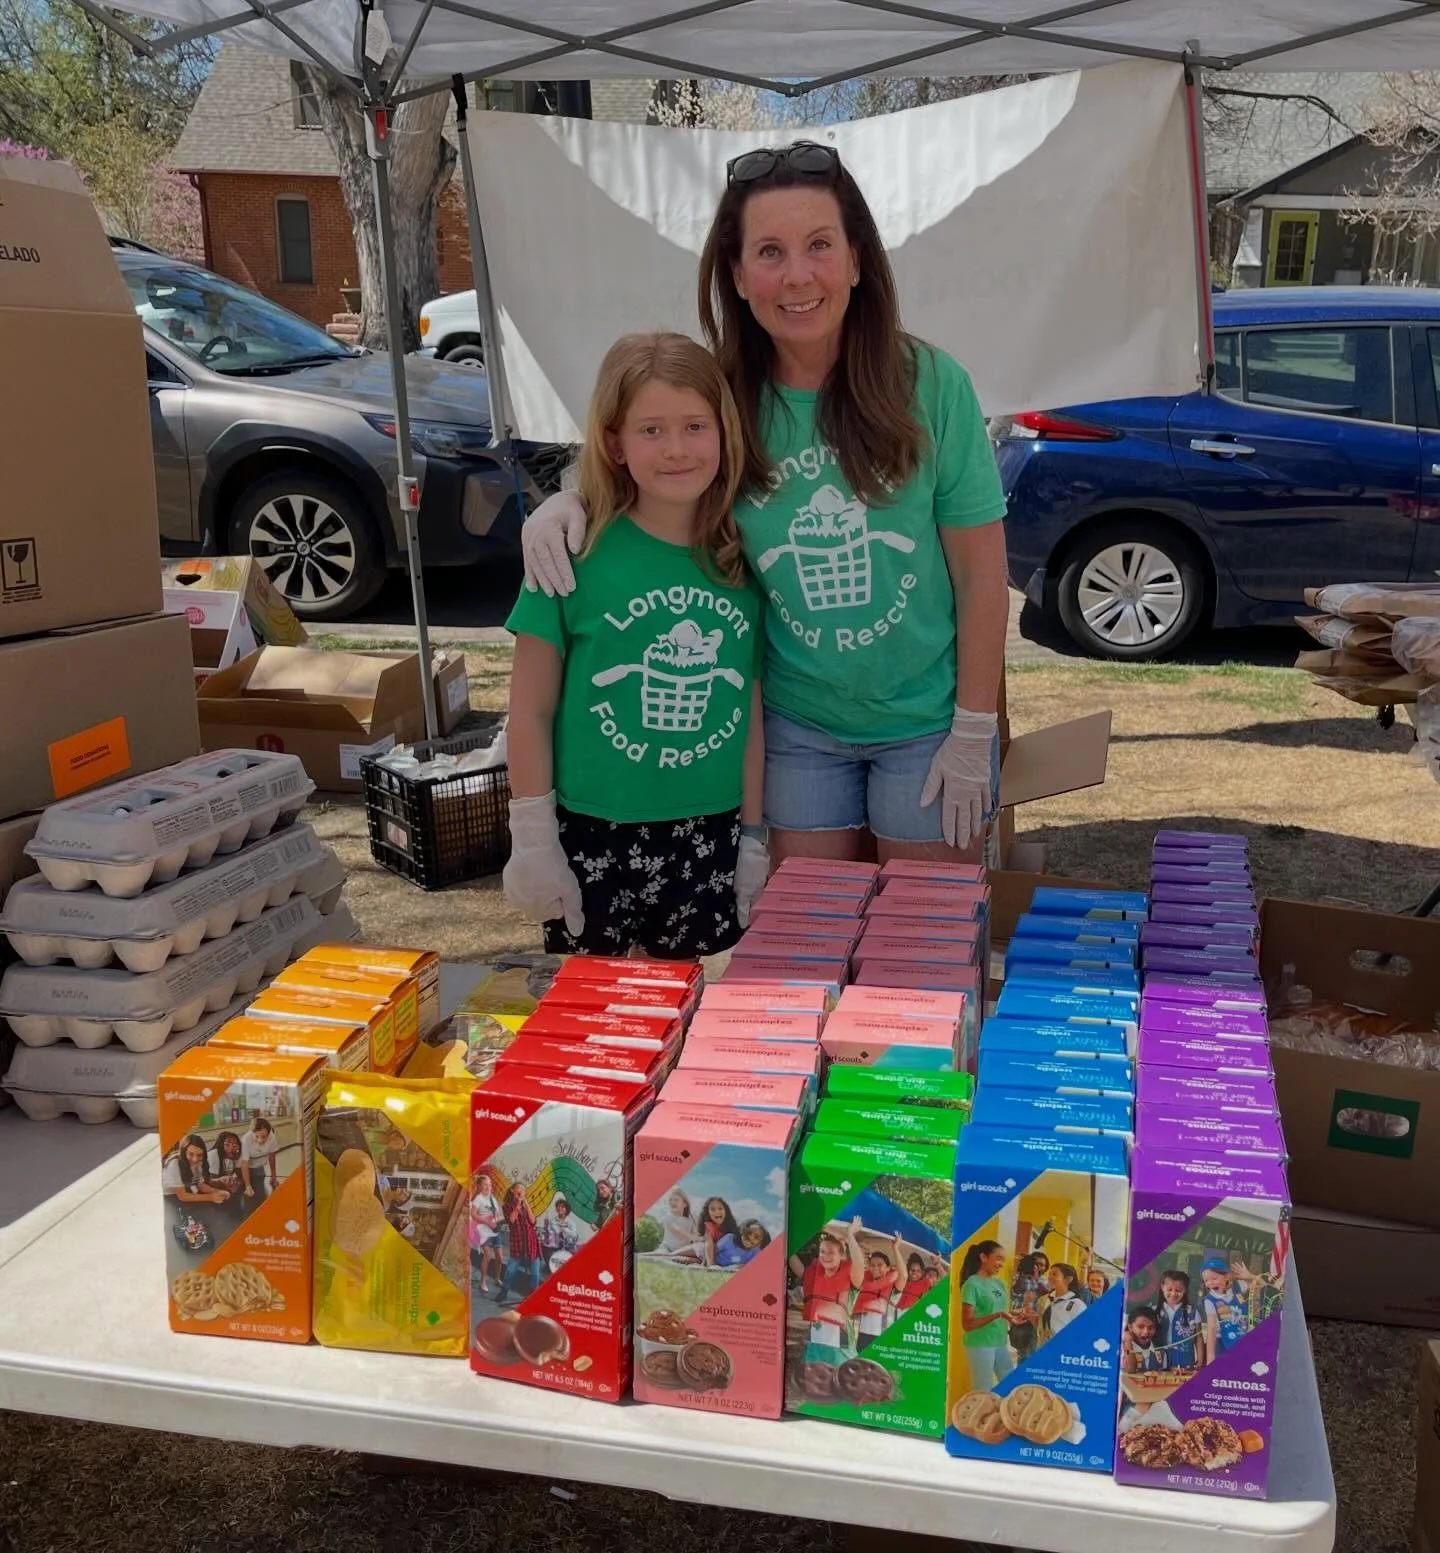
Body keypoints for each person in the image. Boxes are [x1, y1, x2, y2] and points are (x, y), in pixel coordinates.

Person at [521, 140, 1009, 864]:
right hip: (796, 727)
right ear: (739, 276)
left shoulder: (932, 385)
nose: (797, 276)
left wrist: (974, 727)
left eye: (819, 245)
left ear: (856, 260)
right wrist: (571, 501)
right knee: (808, 952)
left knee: (923, 954)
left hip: (927, 722)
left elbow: (980, 574)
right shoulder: (722, 395)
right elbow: (655, 465)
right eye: (770, 252)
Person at [503, 332, 768, 957]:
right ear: (614, 442)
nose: (676, 449)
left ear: (725, 431)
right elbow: (530, 710)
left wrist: (754, 834)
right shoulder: (571, 553)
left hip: (710, 830)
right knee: (595, 1025)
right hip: (591, 833)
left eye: (695, 425)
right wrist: (533, 834)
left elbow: (749, 709)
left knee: (691, 1021)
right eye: (651, 430)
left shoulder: (742, 561)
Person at [790, 1218, 866, 1350]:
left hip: (839, 1339)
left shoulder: (852, 1277)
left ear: (842, 1256)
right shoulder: (814, 1275)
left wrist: (850, 1235)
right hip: (815, 1334)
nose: (826, 1256)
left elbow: (859, 1263)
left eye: (831, 1252)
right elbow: (793, 1261)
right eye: (822, 1251)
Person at [958, 1239, 1020, 1390]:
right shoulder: (972, 1284)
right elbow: (967, 1324)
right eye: (998, 1258)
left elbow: (998, 1311)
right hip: (980, 1344)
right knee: (983, 1390)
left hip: (999, 1342)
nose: (1001, 1264)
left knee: (1011, 1384)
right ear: (983, 1257)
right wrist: (998, 1315)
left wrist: (1014, 1314)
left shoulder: (999, 1283)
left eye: (1003, 1260)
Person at [853, 1239, 901, 1351]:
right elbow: (857, 1263)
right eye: (872, 1265)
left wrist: (896, 1248)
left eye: (880, 1265)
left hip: (882, 1334)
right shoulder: (864, 1279)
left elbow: (903, 1274)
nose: (875, 1268)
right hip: (862, 1334)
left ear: (888, 1268)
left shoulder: (895, 1284)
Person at [500, 1185, 545, 1303]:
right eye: (519, 1189)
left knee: (535, 1273)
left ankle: (531, 1296)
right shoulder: (506, 1205)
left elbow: (533, 1221)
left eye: (524, 1190)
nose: (522, 1191)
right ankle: (504, 1291)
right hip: (517, 1242)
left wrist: (526, 1204)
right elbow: (511, 1220)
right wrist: (517, 1205)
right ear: (512, 1190)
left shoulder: (526, 1205)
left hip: (531, 1242)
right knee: (510, 1270)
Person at [1200, 1258, 1251, 1358]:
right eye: (1206, 1280)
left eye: (1214, 1278)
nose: (1210, 1283)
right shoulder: (1209, 1300)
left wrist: (1249, 1276)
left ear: (1227, 1276)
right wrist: (1210, 1358)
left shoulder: (1238, 1287)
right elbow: (1212, 1329)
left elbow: (1261, 1285)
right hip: (1222, 1343)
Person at [1156, 1268, 1204, 1372]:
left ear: (1185, 1290)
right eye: (1169, 1289)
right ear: (1162, 1287)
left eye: (1178, 1290)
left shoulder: (1193, 1312)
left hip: (1184, 1364)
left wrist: (1200, 1362)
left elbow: (1199, 1338)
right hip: (1159, 1363)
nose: (1173, 1294)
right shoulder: (1154, 1311)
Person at [470, 1170, 505, 1295]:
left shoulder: (492, 1198)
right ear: (479, 1186)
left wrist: (499, 1218)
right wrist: (486, 1222)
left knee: (500, 1257)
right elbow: (473, 1214)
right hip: (484, 1230)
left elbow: (496, 1212)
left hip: (494, 1229)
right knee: (488, 1255)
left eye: (489, 1184)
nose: (488, 1187)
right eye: (485, 1185)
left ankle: (497, 1278)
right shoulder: (478, 1199)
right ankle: (483, 1281)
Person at [1008, 1251, 1048, 1359]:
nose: (1038, 1267)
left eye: (1042, 1265)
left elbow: (1046, 1293)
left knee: (1033, 1351)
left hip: (1035, 1321)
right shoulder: (1019, 1276)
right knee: (1023, 1353)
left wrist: (1035, 1279)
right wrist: (1023, 1272)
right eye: (1036, 1263)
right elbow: (1016, 1291)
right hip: (1020, 1320)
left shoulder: (1044, 1280)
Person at [240, 1116, 281, 1199]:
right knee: (244, 1189)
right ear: (252, 1132)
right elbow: (244, 1164)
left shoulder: (272, 1137)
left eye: (264, 1137)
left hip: (258, 1165)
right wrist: (248, 1186)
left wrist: (273, 1177)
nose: (260, 1141)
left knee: (260, 1184)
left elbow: (272, 1156)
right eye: (257, 1136)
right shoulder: (245, 1140)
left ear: (269, 1134)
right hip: (244, 1166)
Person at [1043, 1263, 1087, 1337]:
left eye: (1054, 1274)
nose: (1049, 1277)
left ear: (1068, 1279)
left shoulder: (1078, 1305)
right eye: (1049, 1274)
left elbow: (1082, 1332)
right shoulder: (1045, 1299)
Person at [660, 1190, 705, 1262]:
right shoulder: (668, 1218)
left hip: (683, 1251)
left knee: (699, 1249)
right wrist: (699, 1239)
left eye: (676, 1199)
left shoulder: (690, 1221)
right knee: (660, 1254)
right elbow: (680, 1233)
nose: (672, 1202)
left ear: (685, 1204)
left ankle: (679, 1258)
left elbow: (696, 1235)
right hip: (667, 1249)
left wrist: (696, 1218)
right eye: (670, 1200)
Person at [1123, 1307, 1167, 1374]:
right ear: (1130, 1327)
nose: (1146, 1332)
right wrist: (1128, 1343)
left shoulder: (1161, 1352)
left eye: (1151, 1327)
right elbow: (1130, 1369)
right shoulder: (1125, 1349)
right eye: (1140, 1327)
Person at [699, 1196, 740, 1266]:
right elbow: (709, 1243)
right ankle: (673, 1254)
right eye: (712, 1209)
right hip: (707, 1252)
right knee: (698, 1248)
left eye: (720, 1208)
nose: (717, 1212)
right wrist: (711, 1265)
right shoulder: (708, 1225)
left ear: (725, 1211)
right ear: (707, 1212)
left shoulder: (731, 1224)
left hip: (723, 1254)